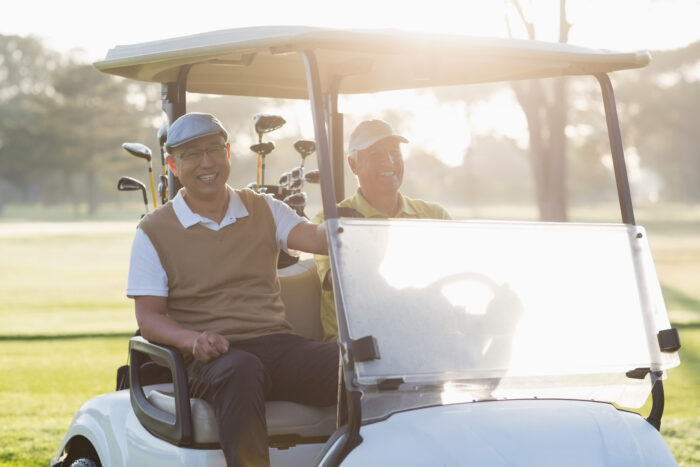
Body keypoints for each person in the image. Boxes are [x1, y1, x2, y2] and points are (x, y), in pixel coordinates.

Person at [126, 112, 338, 467]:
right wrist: (192, 340)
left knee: (351, 366)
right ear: (173, 164)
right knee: (240, 369)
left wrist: (346, 224)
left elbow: (314, 238)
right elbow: (149, 318)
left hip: (277, 346)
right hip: (211, 358)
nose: (205, 162)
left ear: (227, 152)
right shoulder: (153, 231)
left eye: (213, 150)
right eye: (192, 154)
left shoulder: (264, 208)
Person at [313, 119, 451, 342]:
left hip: (426, 338)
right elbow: (343, 281)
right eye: (376, 155)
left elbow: (454, 278)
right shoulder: (332, 219)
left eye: (394, 152)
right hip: (361, 347)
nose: (389, 162)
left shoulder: (435, 216)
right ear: (353, 164)